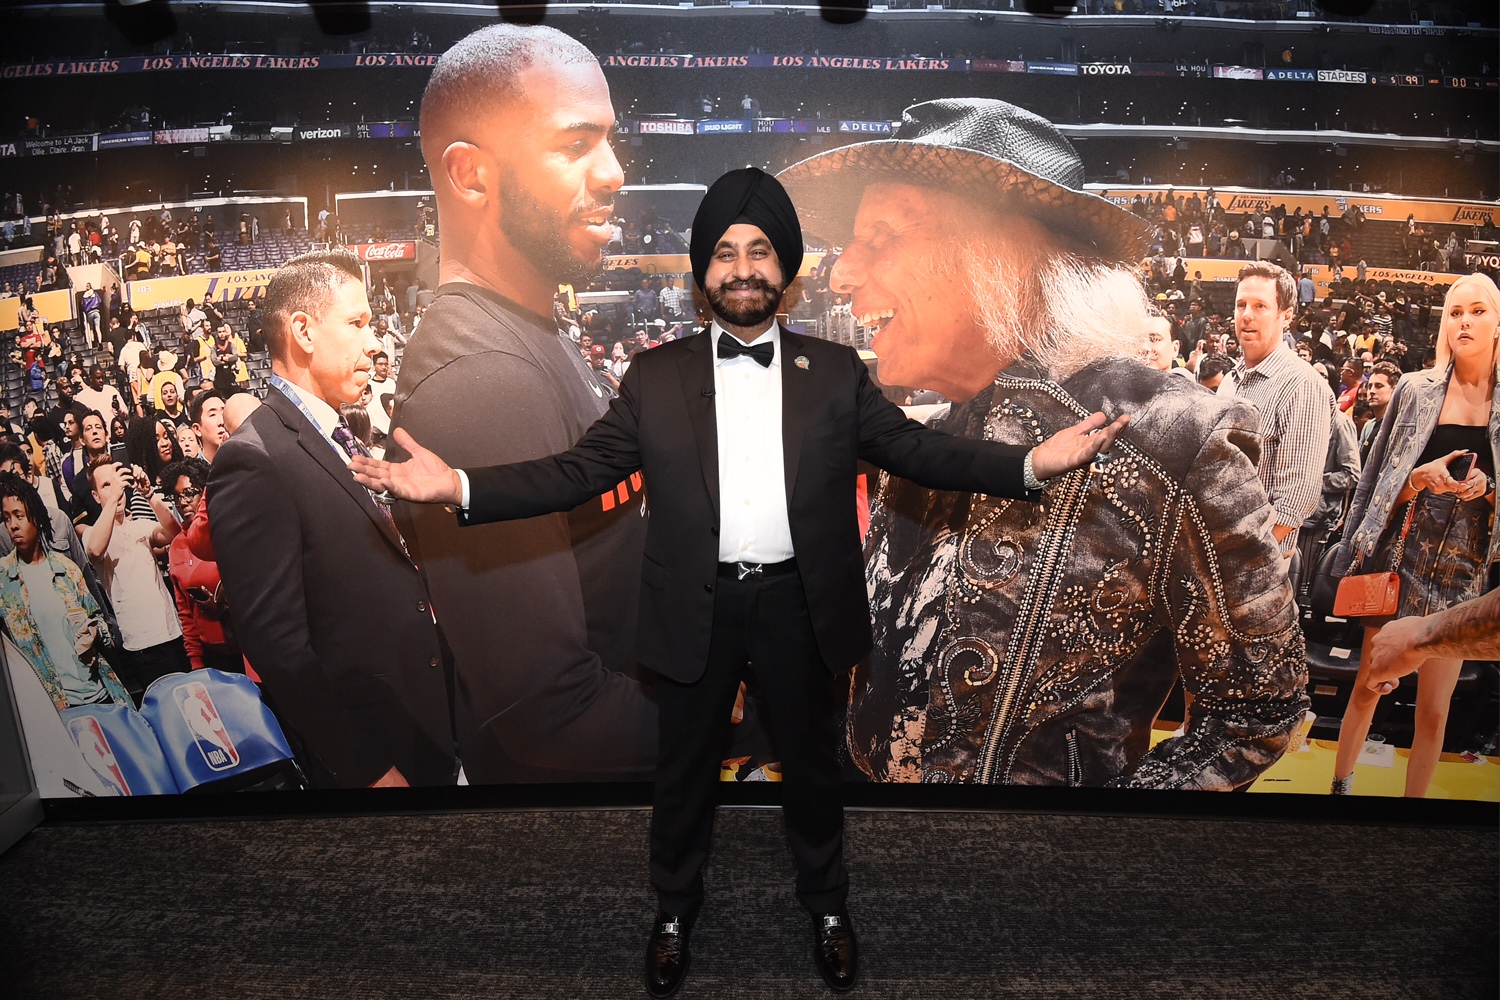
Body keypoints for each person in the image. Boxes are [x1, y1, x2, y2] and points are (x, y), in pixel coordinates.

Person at [353, 167, 1126, 998]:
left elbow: (919, 451)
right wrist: (459, 487)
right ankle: (674, 911)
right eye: (725, 254)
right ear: (703, 273)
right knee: (683, 774)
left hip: (799, 605)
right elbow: (573, 474)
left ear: (783, 269)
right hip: (698, 607)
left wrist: (1029, 463)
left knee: (812, 770)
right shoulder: (655, 377)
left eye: (759, 251)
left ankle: (827, 906)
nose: (743, 268)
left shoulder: (835, 372)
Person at [777, 97, 1307, 790]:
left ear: (1002, 248)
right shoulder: (932, 441)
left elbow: (1260, 707)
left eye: (881, 235)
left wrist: (1086, 852)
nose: (842, 273)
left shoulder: (1170, 436)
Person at [392, 24, 658, 782]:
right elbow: (555, 723)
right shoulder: (481, 381)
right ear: (472, 175)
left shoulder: (530, 330)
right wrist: (764, 725)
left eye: (610, 141)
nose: (613, 173)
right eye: (575, 145)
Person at [208, 250, 457, 790]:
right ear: (303, 330)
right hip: (381, 758)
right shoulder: (254, 457)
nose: (376, 342)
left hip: (429, 727)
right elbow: (278, 646)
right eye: (358, 322)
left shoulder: (337, 433)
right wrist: (366, 770)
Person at [1330, 272, 1499, 798]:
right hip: (1399, 558)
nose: (1464, 321)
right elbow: (1377, 475)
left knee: (1435, 707)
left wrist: (1488, 488)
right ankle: (1340, 789)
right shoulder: (1414, 389)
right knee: (1367, 686)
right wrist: (1418, 479)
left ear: (1498, 324)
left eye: (1477, 311)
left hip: (1463, 572)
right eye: (1454, 312)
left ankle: (1413, 812)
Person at [1219, 262, 1334, 568]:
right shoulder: (1231, 379)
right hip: (1214, 553)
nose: (1246, 315)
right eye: (1241, 305)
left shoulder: (1303, 385)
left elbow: (1299, 497)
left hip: (1254, 565)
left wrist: (1249, 556)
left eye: (1260, 306)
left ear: (1286, 316)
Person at [0, 473, 130, 711]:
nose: (13, 525)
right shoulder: (4, 580)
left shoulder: (66, 569)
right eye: (7, 518)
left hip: (97, 696)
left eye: (19, 516)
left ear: (37, 518)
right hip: (50, 707)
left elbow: (101, 624)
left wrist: (94, 632)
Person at [84, 457, 188, 691]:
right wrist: (112, 501)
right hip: (142, 646)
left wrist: (150, 494)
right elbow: (95, 550)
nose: (116, 490)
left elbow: (173, 532)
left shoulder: (139, 525)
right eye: (106, 486)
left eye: (117, 482)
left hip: (173, 634)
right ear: (95, 496)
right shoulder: (91, 533)